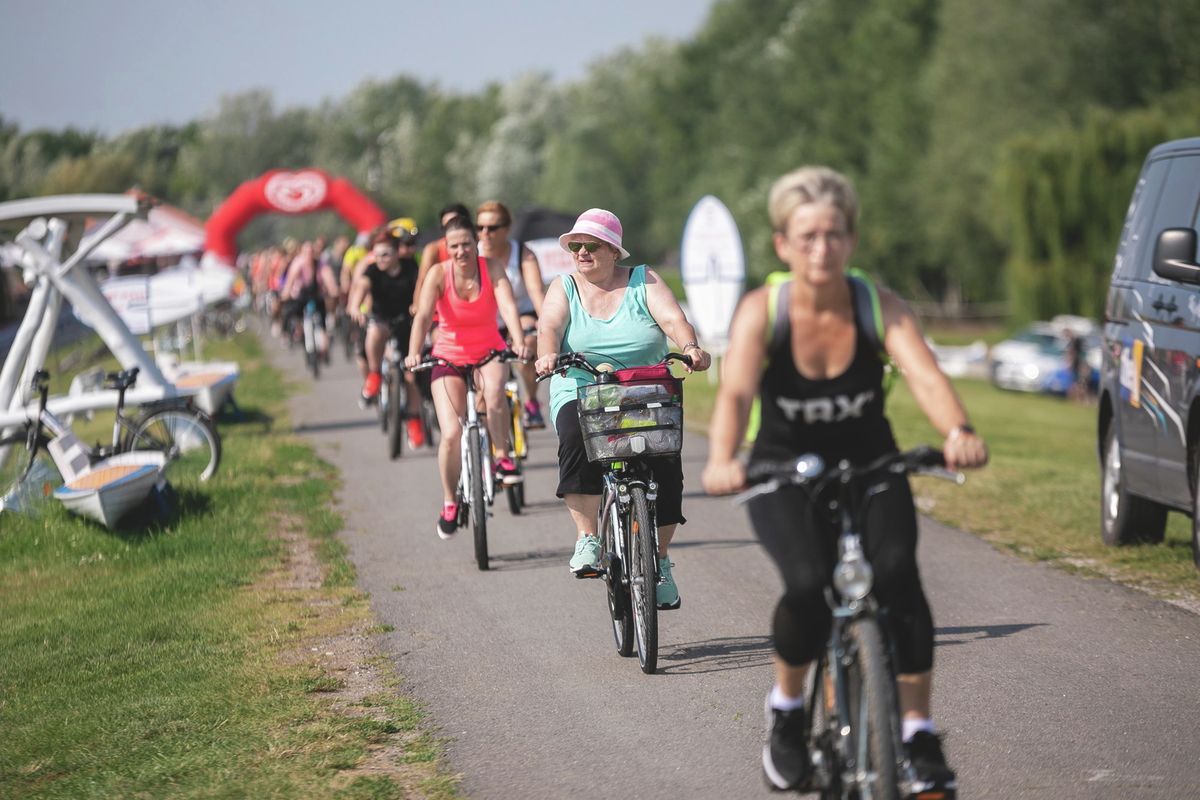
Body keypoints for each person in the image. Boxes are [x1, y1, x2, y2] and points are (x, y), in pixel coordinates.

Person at [700, 167, 988, 794]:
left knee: (897, 576)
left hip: (870, 465)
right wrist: (725, 457)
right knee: (806, 584)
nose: (821, 249)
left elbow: (925, 375)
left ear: (852, 240)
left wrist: (958, 431)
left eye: (833, 235)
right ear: (782, 244)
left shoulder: (875, 305)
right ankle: (787, 711)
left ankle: (916, 732)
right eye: (806, 237)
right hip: (783, 469)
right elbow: (736, 392)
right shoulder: (763, 311)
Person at [534, 208, 711, 608]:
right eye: (575, 246)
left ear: (614, 250)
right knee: (575, 436)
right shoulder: (564, 286)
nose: (580, 252)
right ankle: (588, 538)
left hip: (643, 387)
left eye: (590, 245)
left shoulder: (642, 280)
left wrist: (690, 347)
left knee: (666, 460)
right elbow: (549, 326)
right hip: (582, 387)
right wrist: (547, 356)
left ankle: (660, 561)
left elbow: (672, 318)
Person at [405, 216, 530, 538]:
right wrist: (414, 351)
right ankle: (449, 501)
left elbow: (508, 307)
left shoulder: (492, 269)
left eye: (466, 244)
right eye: (454, 246)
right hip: (447, 357)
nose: (461, 251)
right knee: (450, 433)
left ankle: (502, 458)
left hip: (489, 352)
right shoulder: (438, 274)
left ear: (476, 244)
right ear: (447, 249)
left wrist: (517, 340)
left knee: (495, 392)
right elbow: (421, 317)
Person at [348, 228, 426, 447]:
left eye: (386, 255)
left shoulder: (410, 267)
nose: (380, 259)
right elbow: (361, 287)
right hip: (381, 320)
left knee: (411, 374)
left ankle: (414, 420)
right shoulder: (373, 271)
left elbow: (421, 288)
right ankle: (374, 375)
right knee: (375, 331)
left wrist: (418, 306)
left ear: (396, 253)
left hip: (406, 322)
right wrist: (355, 307)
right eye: (377, 254)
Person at [476, 200, 548, 428]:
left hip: (520, 311)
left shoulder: (523, 255)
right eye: (480, 228)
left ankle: (532, 401)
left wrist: (548, 327)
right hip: (486, 318)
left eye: (492, 228)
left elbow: (536, 293)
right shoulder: (472, 254)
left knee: (528, 342)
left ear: (506, 229)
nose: (485, 234)